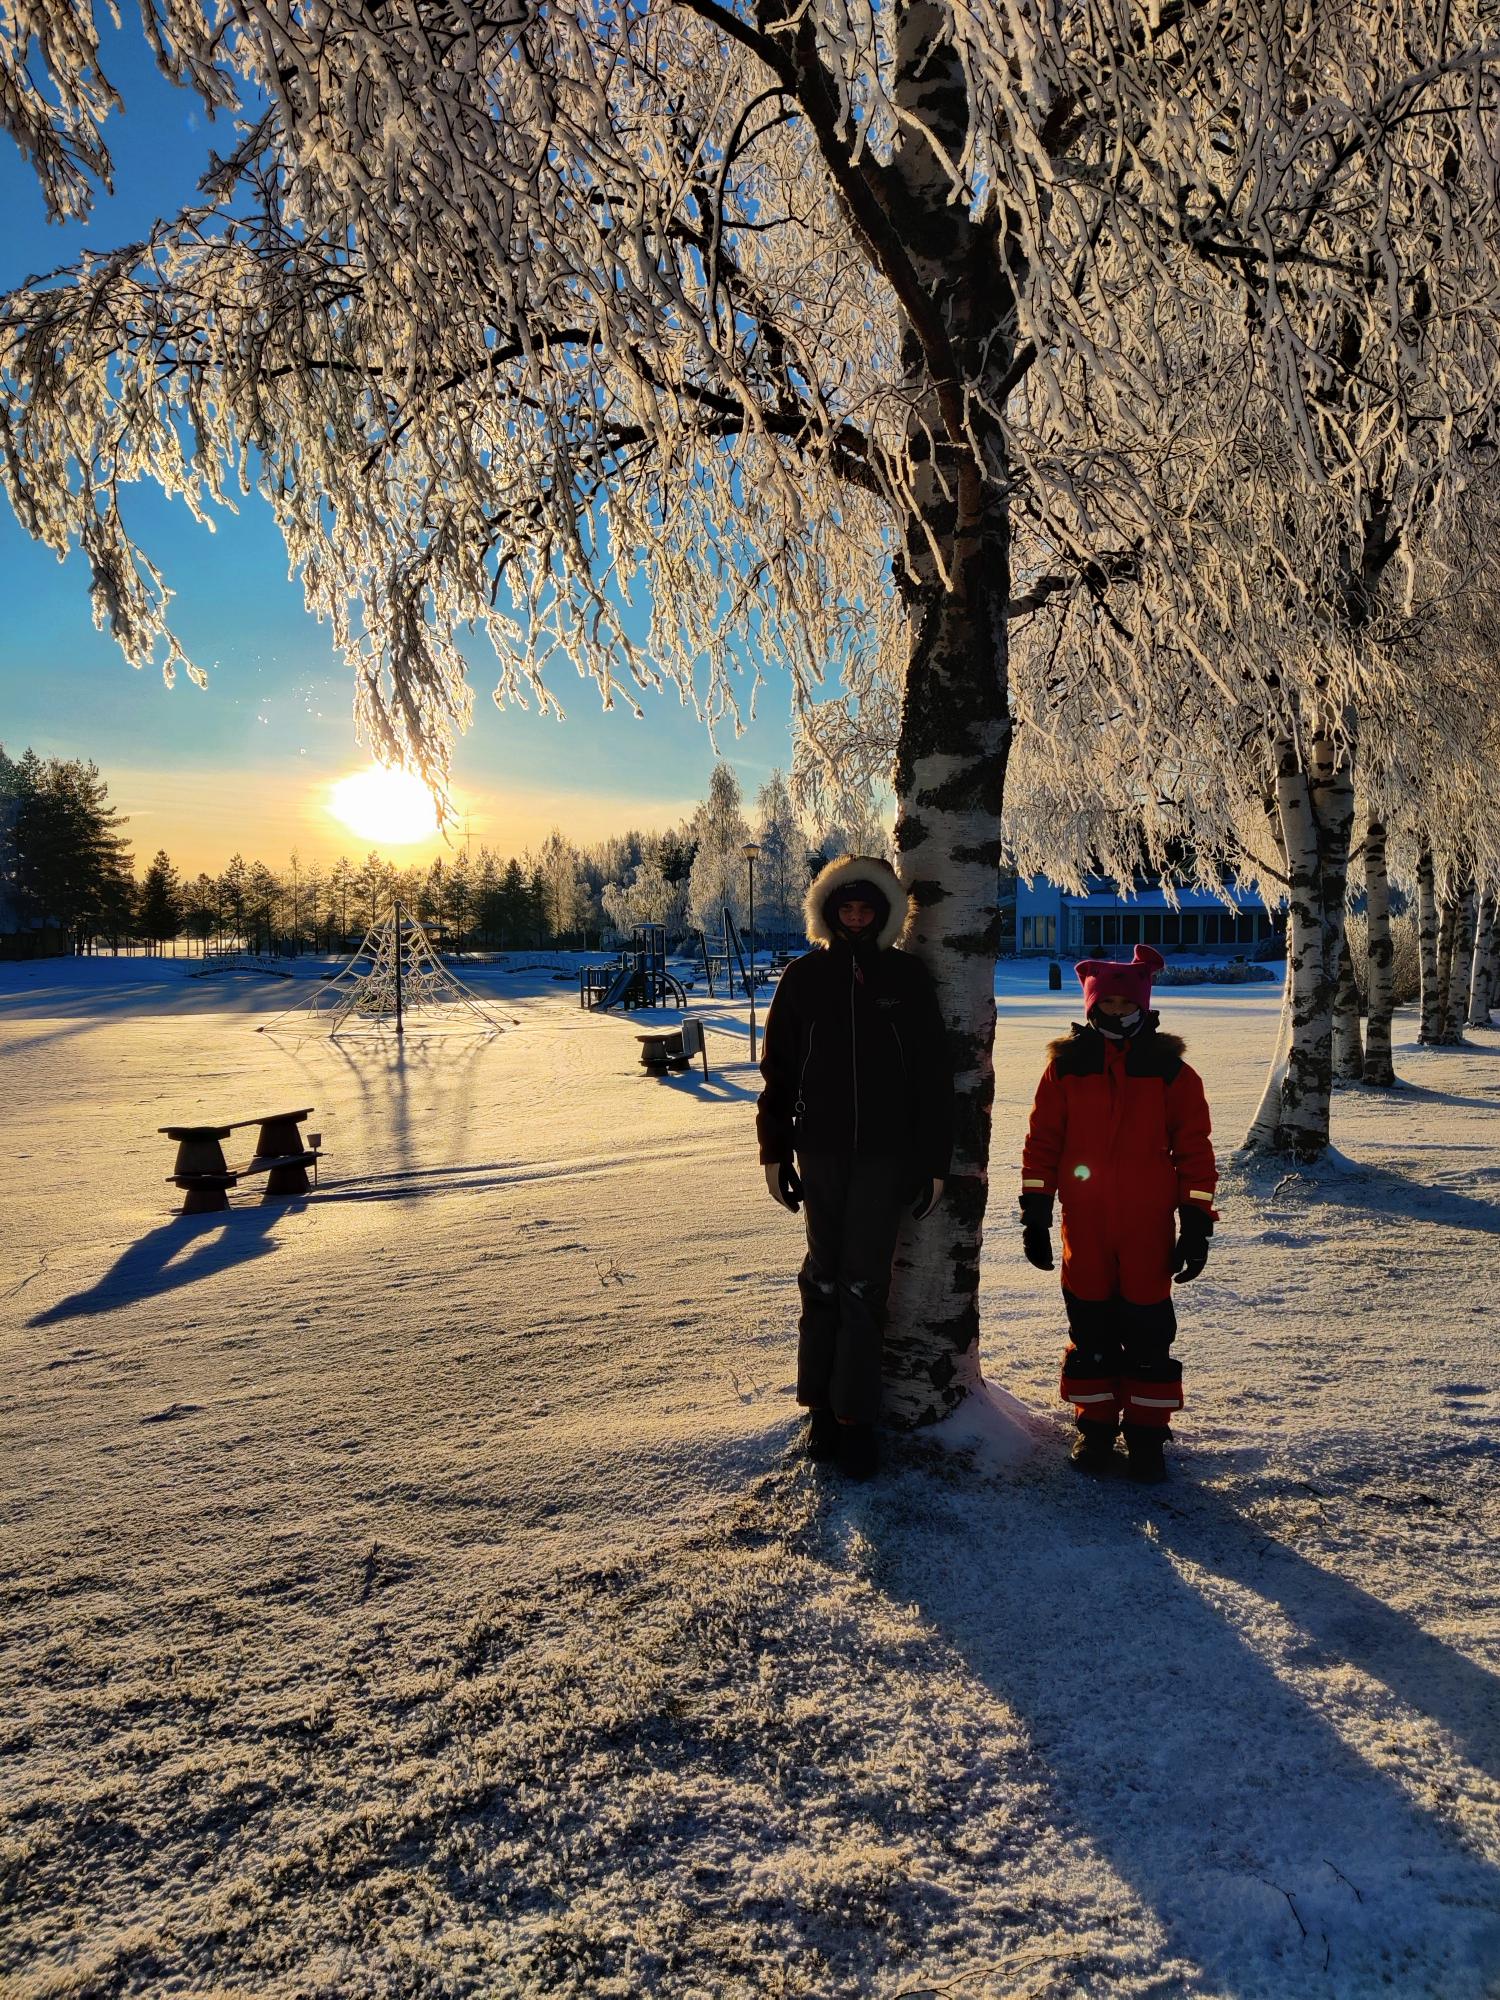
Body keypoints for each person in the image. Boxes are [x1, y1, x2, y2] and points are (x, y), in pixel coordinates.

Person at [756, 855, 953, 1478]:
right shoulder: (803, 978)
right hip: (819, 1151)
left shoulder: (906, 978)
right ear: (830, 912)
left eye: (868, 908)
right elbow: (778, 1074)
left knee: (865, 1285)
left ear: (885, 914)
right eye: (847, 907)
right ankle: (818, 1406)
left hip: (885, 1157)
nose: (858, 916)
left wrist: (932, 1162)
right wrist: (774, 1150)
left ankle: (855, 1420)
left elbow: (932, 1079)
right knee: (821, 1279)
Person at [1019, 943, 1218, 1483]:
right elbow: (1042, 1144)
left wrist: (1197, 1223)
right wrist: (1034, 1210)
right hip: (1083, 1225)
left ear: (1143, 1005)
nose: (1116, 1012)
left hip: (1148, 1227)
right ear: (1091, 1006)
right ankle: (1097, 1426)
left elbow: (1195, 1153)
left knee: (1149, 1331)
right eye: (1105, 1004)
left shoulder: (1172, 1072)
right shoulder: (1064, 1069)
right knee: (1092, 1329)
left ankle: (1148, 1435)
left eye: (1124, 1004)